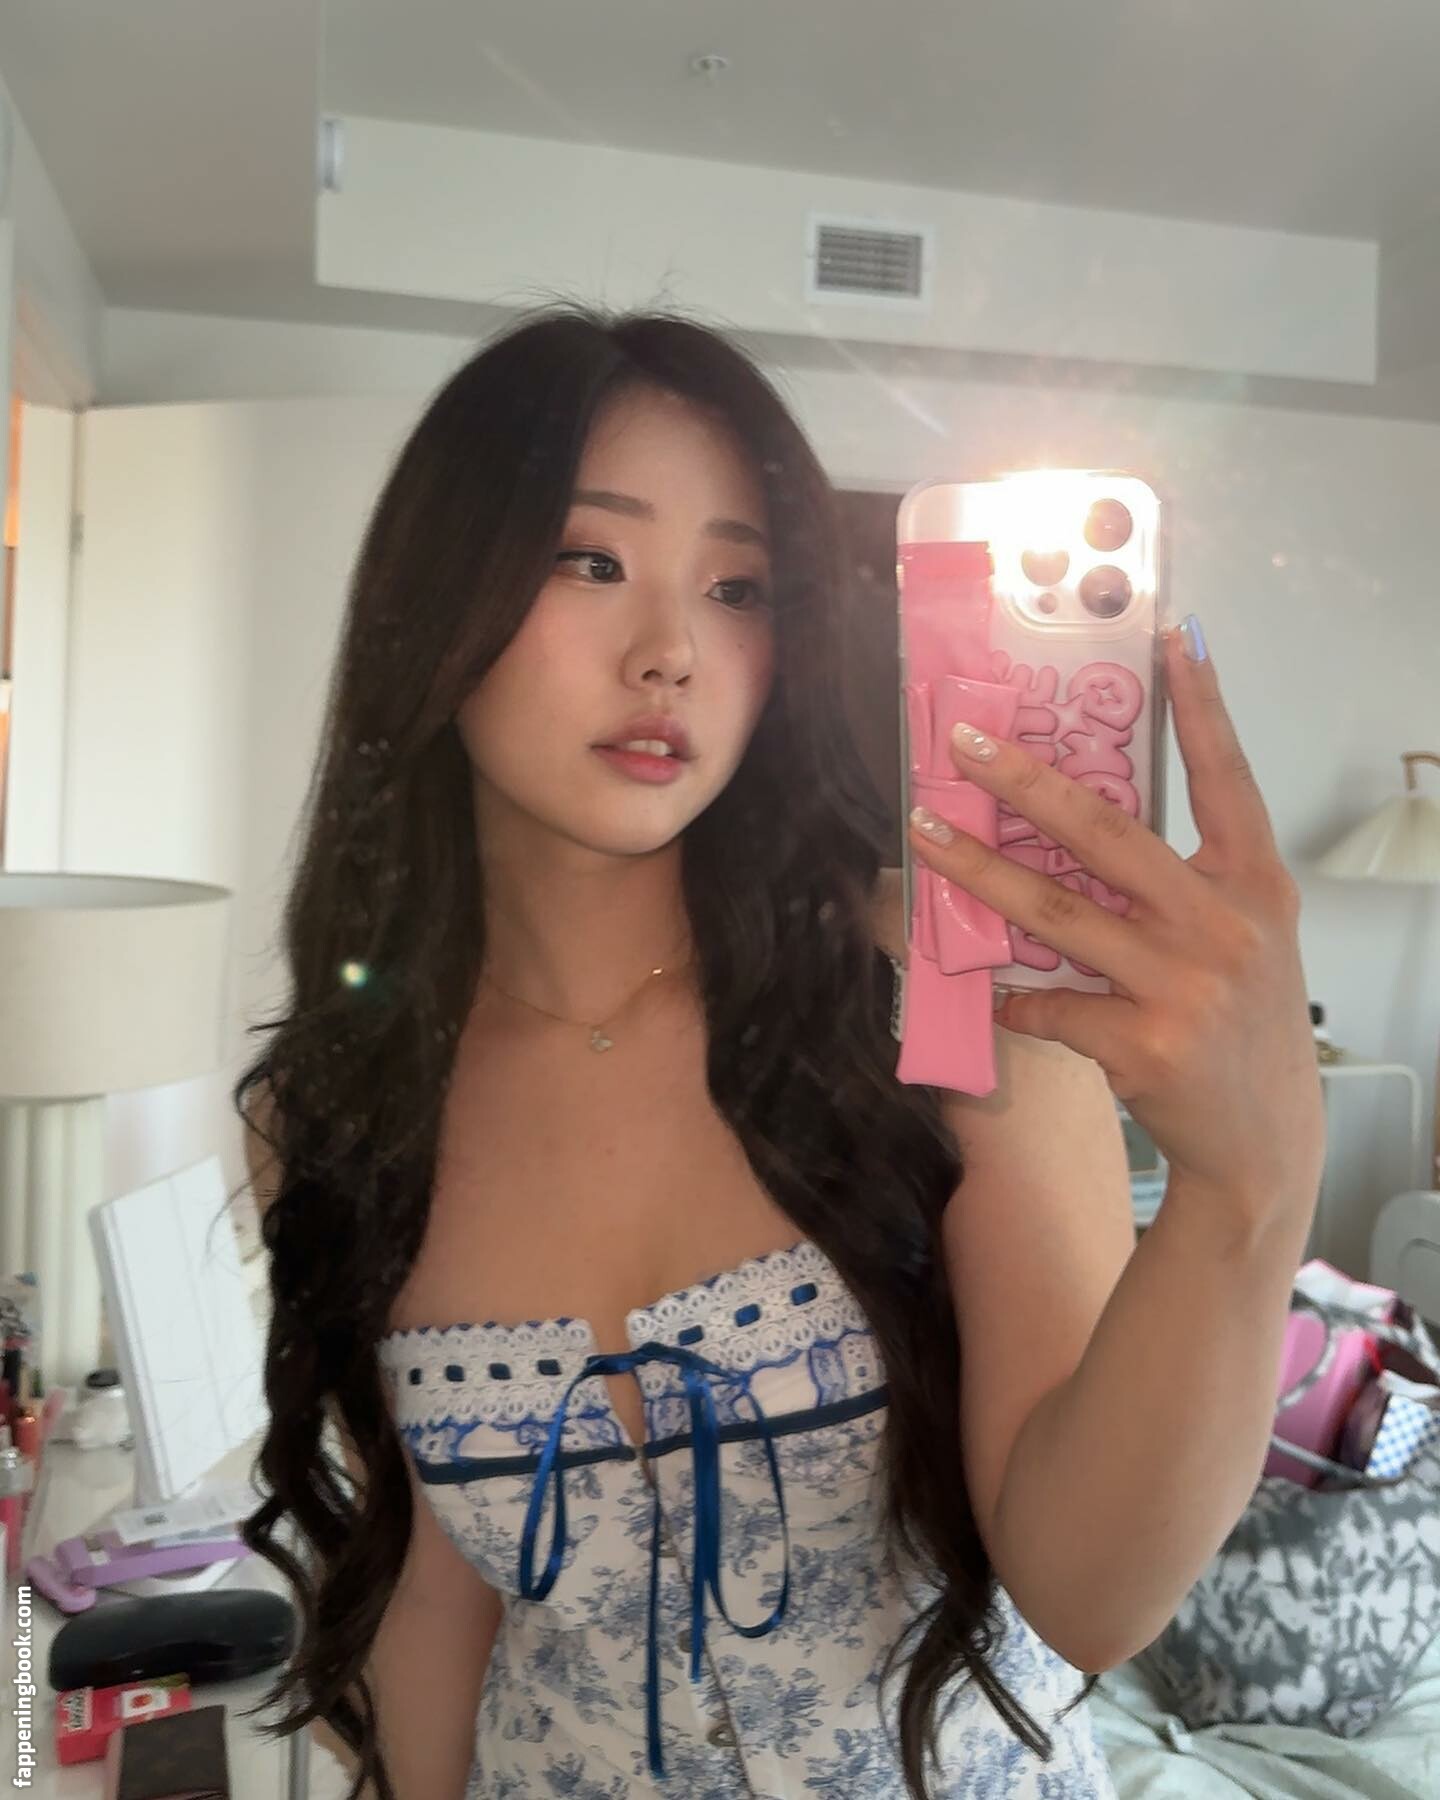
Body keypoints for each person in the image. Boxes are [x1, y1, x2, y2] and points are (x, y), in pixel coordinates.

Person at [236, 305, 1324, 1799]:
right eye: (591, 560)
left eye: (738, 586)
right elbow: (433, 1592)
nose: (671, 652)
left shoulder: (937, 988)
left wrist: (1249, 1191)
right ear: (440, 595)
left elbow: (1088, 1597)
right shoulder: (336, 1105)